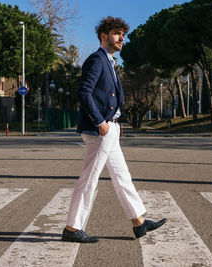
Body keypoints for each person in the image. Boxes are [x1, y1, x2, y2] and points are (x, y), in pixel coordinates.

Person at [61, 16, 166, 243]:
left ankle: (138, 221)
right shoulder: (97, 60)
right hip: (100, 130)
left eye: (123, 34)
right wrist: (100, 121)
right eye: (117, 34)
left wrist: (115, 123)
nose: (121, 38)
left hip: (111, 129)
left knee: (122, 176)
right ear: (104, 36)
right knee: (89, 179)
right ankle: (72, 227)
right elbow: (84, 93)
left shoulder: (109, 61)